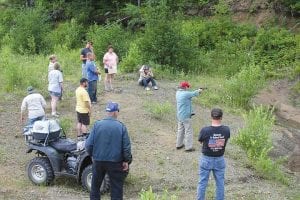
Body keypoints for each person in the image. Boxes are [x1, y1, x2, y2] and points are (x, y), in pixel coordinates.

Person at [85, 101, 132, 200]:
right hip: (115, 162)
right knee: (116, 189)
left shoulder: (97, 125)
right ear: (115, 112)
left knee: (95, 188)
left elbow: (88, 144)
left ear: (108, 112)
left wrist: (92, 155)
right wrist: (126, 161)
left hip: (98, 161)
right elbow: (126, 148)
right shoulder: (121, 127)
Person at [197, 108, 230, 200]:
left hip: (206, 159)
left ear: (211, 117)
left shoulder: (205, 130)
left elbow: (200, 141)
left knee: (202, 182)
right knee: (220, 183)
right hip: (220, 159)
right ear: (221, 117)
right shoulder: (226, 130)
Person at [176, 81, 202, 152]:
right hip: (186, 116)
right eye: (187, 87)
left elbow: (190, 93)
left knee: (180, 130)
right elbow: (194, 93)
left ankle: (179, 145)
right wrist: (199, 90)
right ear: (185, 87)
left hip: (180, 115)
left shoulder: (178, 93)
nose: (188, 88)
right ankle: (188, 147)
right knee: (188, 131)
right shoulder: (186, 93)